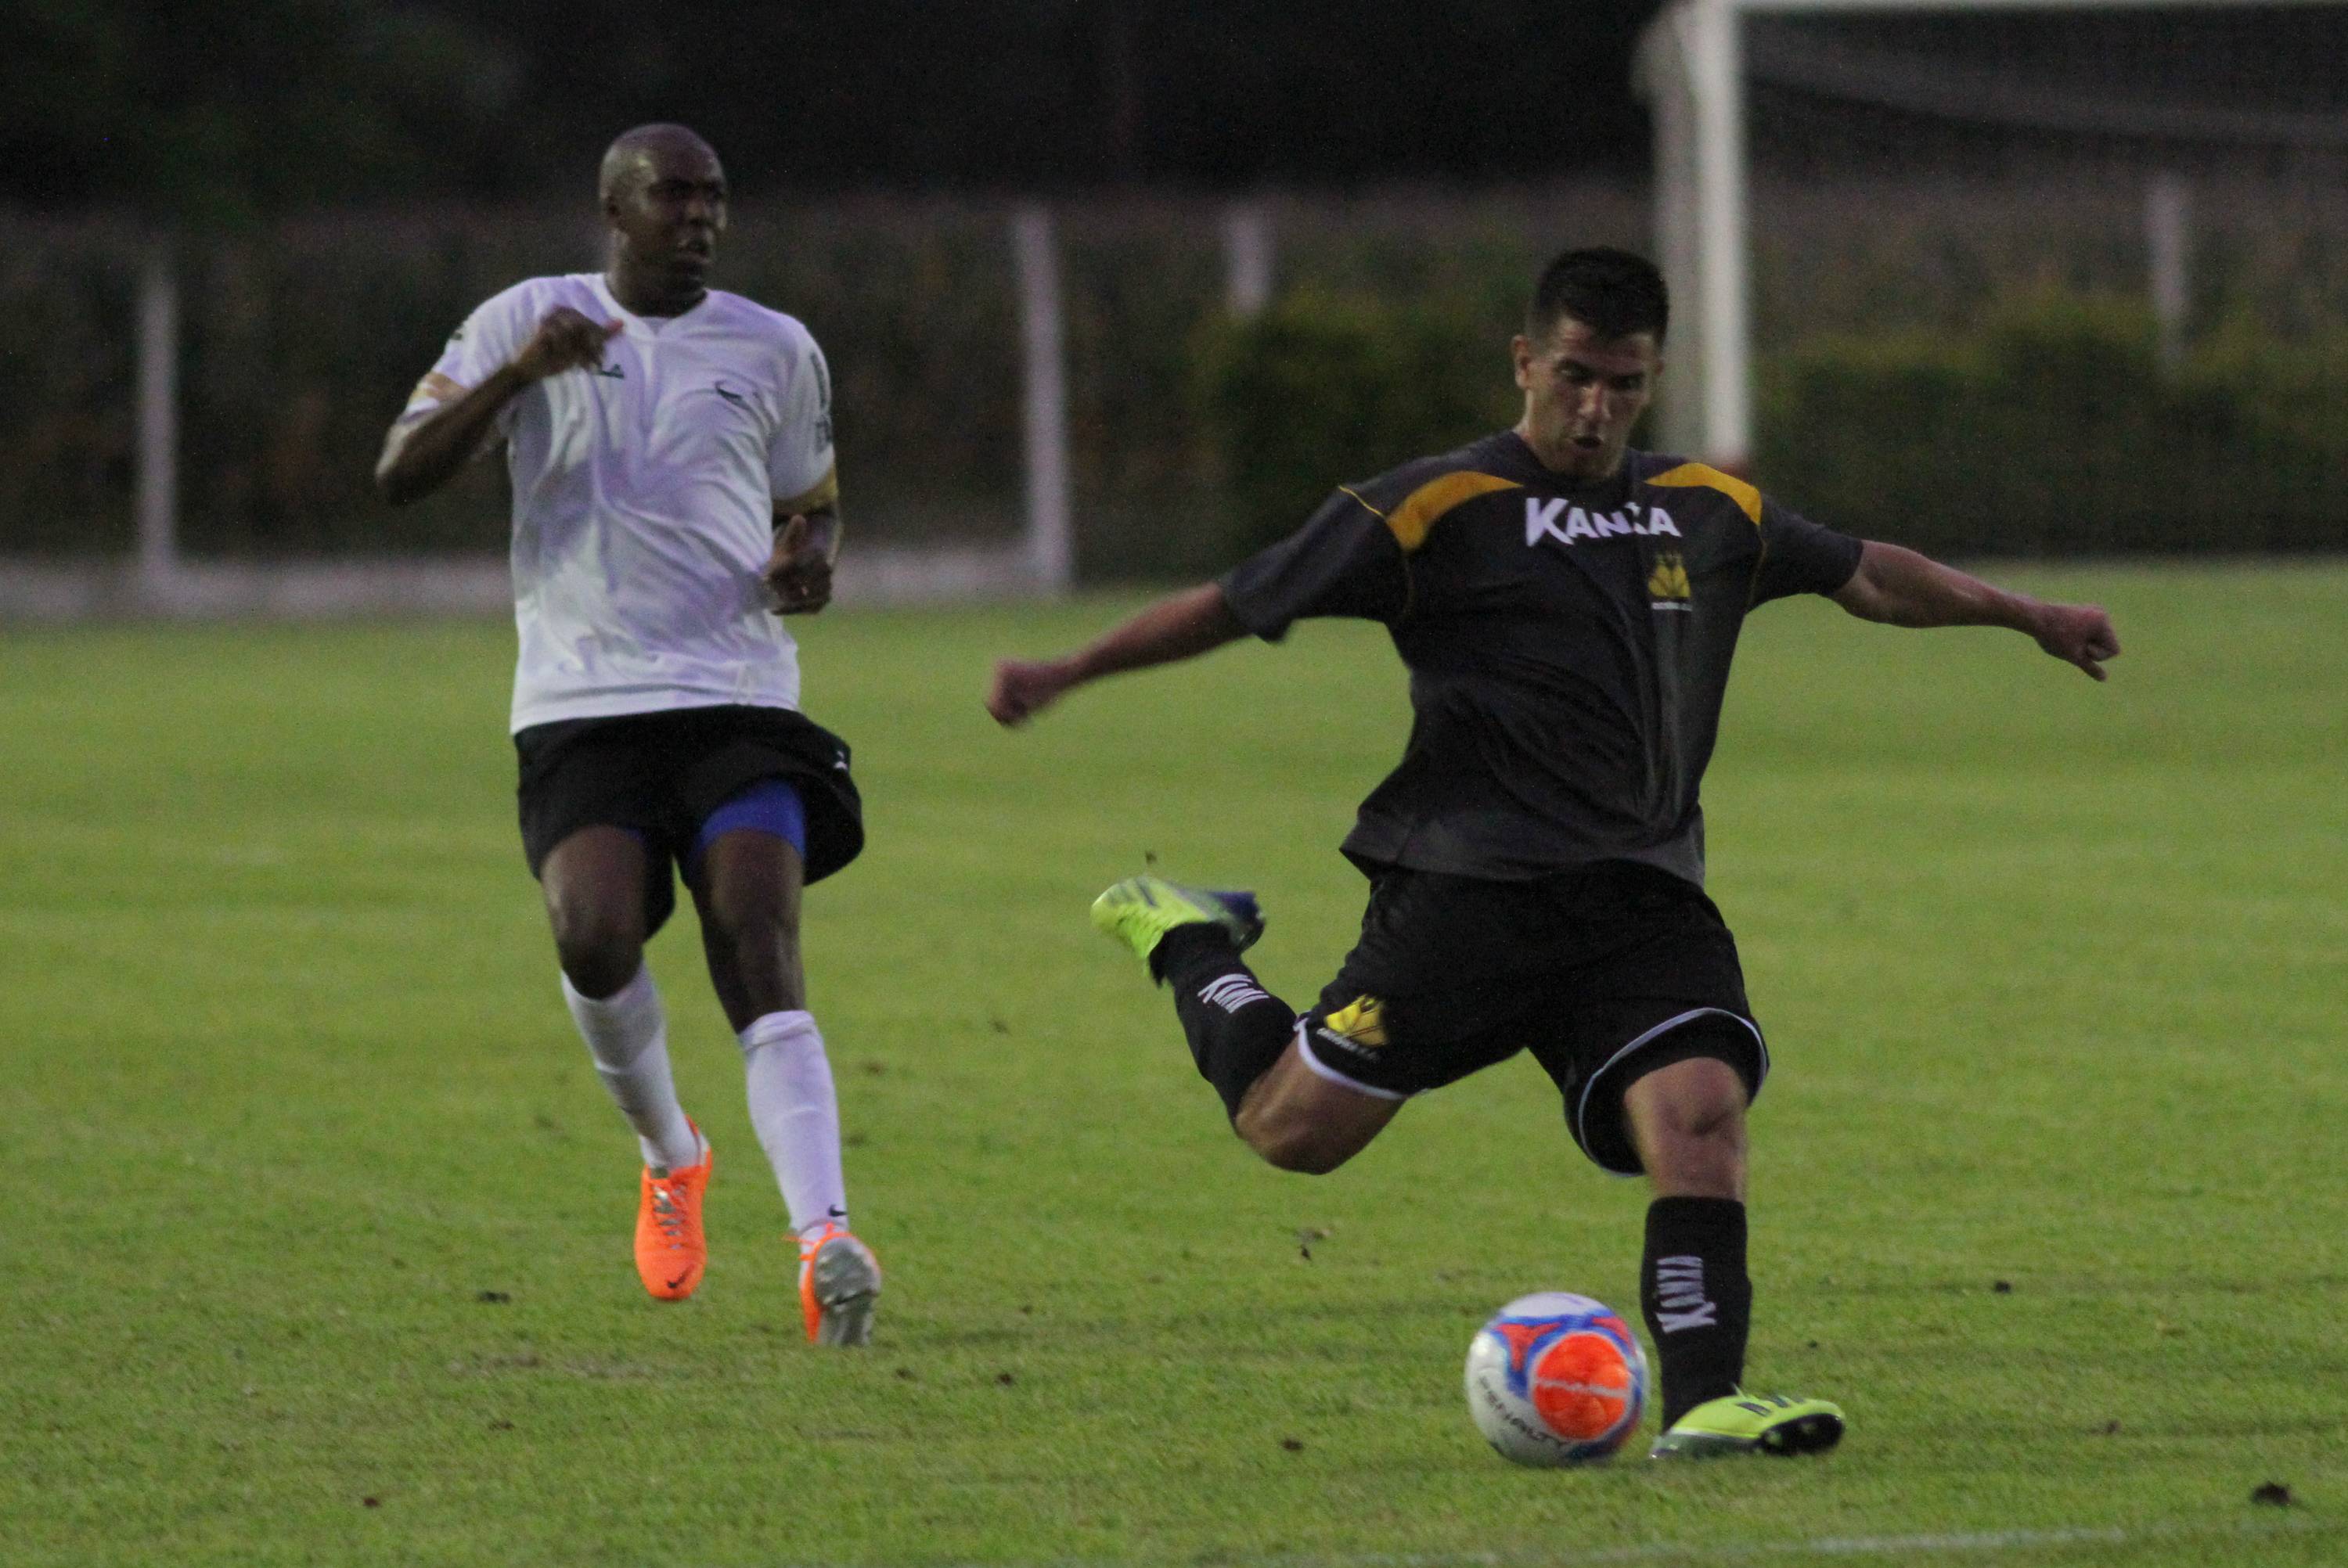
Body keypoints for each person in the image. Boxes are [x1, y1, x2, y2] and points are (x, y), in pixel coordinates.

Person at [985, 246, 2119, 1455]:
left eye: (1623, 385)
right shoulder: (1431, 509)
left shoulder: (1707, 507)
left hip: (1640, 891)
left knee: (1698, 1113)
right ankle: (1186, 935)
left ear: (1653, 378)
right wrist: (1071, 670)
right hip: (1467, 896)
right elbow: (1236, 601)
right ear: (1525, 361)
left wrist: (2027, 617)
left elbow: (1871, 576)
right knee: (1291, 1132)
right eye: (1574, 376)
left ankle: (1708, 1404)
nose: (1595, 409)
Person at [375, 124, 881, 1344]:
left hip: (737, 694)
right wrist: (520, 377)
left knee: (755, 926)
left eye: (715, 197)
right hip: (582, 702)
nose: (700, 218)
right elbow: (400, 472)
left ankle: (828, 1243)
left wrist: (810, 558)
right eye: (675, 197)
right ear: (614, 208)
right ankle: (672, 1153)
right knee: (593, 935)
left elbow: (809, 503)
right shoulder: (524, 320)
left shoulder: (775, 347)